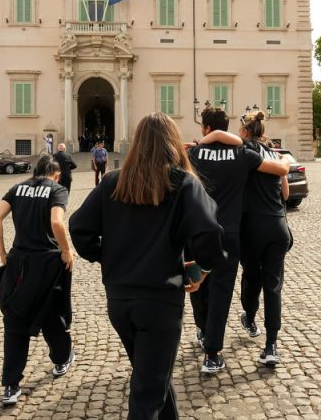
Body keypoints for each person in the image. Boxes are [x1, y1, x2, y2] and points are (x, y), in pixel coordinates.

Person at [70, 113, 225, 418]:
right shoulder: (183, 183)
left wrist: (108, 255)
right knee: (147, 393)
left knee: (153, 379)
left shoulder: (114, 180)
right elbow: (210, 234)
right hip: (160, 301)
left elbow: (78, 228)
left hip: (120, 302)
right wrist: (203, 269)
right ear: (172, 143)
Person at [186, 107, 288, 374]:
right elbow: (278, 169)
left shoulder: (194, 153)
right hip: (229, 232)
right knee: (222, 290)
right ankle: (212, 354)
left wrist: (198, 144)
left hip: (198, 230)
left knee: (198, 284)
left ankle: (203, 330)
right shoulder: (242, 153)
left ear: (205, 128)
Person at [0, 155, 76, 407]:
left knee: (16, 318)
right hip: (46, 264)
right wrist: (66, 250)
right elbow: (56, 222)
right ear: (56, 174)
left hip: (19, 262)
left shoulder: (17, 188)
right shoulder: (57, 189)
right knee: (49, 311)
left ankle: (10, 385)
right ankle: (62, 357)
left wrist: (3, 253)